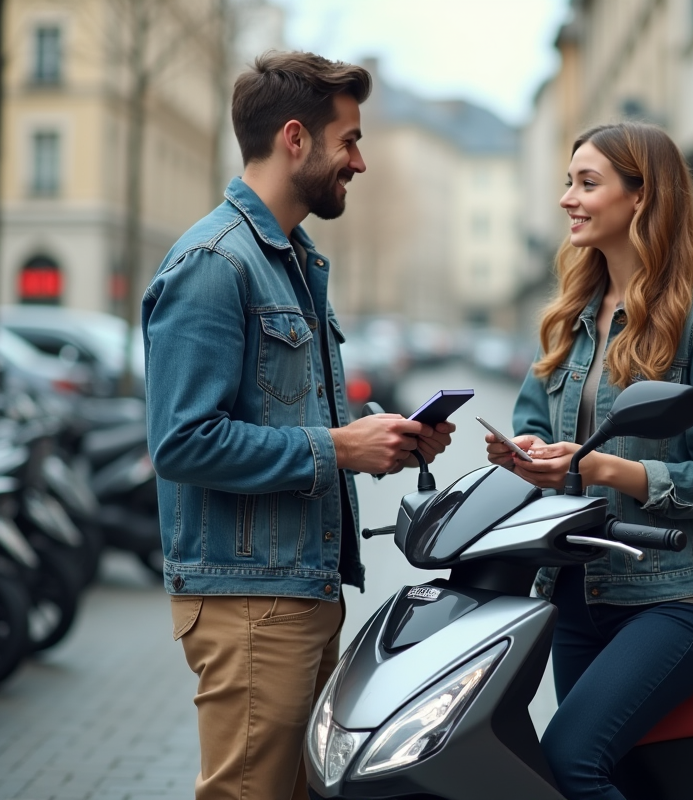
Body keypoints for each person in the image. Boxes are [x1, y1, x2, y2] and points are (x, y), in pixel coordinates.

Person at [141, 53, 454, 800]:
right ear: (294, 139)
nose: (361, 161)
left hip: (298, 590)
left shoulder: (291, 261)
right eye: (347, 140)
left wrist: (377, 442)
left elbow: (285, 417)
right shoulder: (216, 263)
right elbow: (182, 442)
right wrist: (337, 448)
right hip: (251, 603)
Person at [484, 122, 693, 800]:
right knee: (622, 772)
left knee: (570, 761)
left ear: (640, 197)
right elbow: (533, 421)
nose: (567, 198)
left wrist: (604, 469)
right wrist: (528, 457)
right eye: (568, 182)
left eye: (586, 183)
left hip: (675, 597)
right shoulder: (570, 315)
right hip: (575, 592)